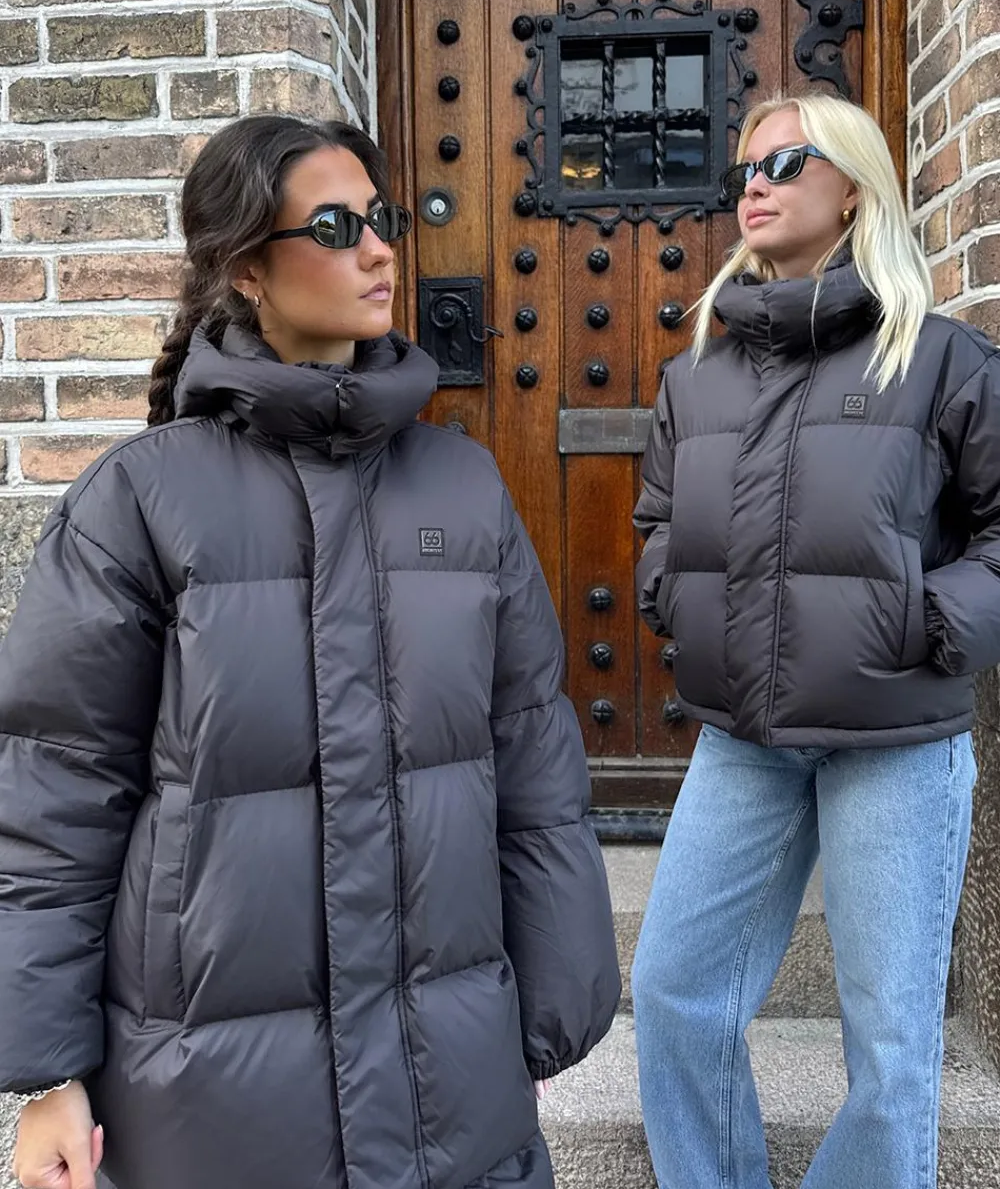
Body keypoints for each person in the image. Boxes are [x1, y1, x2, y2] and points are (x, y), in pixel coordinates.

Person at [0, 114, 620, 1189]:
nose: (379, 251)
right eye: (336, 228)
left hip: (446, 1069)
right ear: (246, 267)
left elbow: (531, 759)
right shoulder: (140, 502)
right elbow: (58, 789)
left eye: (380, 221)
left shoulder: (462, 486)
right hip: (215, 1093)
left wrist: (541, 1016)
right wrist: (47, 1071)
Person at [630, 93, 1000, 1189]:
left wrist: (925, 623)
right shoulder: (696, 373)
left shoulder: (942, 360)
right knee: (672, 992)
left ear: (852, 188)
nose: (755, 182)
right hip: (743, 739)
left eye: (786, 162)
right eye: (744, 166)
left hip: (894, 740)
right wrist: (673, 596)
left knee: (889, 1046)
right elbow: (660, 521)